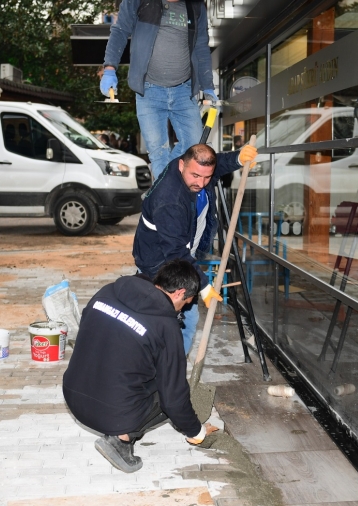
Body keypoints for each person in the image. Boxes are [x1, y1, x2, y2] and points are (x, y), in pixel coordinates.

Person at [62, 259, 210, 473]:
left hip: (73, 396)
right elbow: (174, 400)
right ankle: (121, 441)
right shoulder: (166, 326)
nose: (183, 308)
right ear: (179, 293)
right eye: (186, 302)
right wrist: (196, 431)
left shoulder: (108, 292)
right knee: (169, 390)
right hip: (110, 416)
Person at [133, 143, 257, 355]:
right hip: (159, 265)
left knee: (175, 324)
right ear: (182, 165)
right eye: (196, 176)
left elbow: (215, 164)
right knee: (176, 323)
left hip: (178, 253)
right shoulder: (170, 200)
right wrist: (204, 286)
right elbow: (176, 254)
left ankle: (170, 366)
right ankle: (168, 368)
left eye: (206, 177)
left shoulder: (190, 167)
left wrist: (238, 158)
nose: (201, 183)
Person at [100, 0, 217, 179]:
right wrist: (109, 68)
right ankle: (165, 192)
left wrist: (208, 86)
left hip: (184, 91)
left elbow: (201, 46)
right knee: (158, 152)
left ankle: (165, 183)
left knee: (194, 145)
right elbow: (120, 30)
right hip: (149, 91)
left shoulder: (195, 6)